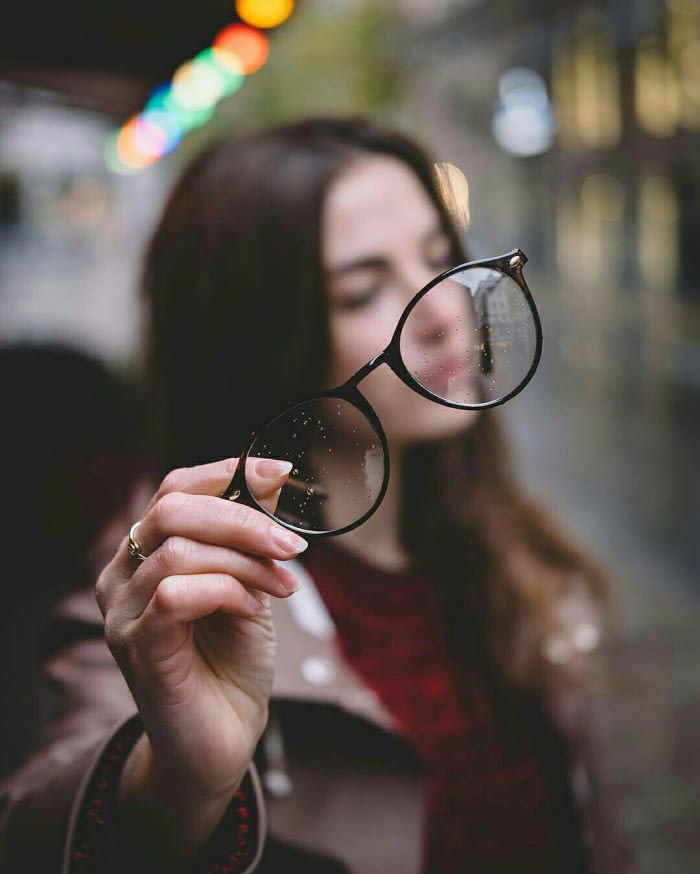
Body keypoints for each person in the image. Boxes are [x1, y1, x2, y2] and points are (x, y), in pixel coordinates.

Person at [0, 118, 633, 874]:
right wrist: (174, 784)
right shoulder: (177, 587)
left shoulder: (498, 534)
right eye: (363, 290)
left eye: (438, 260)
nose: (443, 311)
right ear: (258, 333)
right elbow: (46, 828)